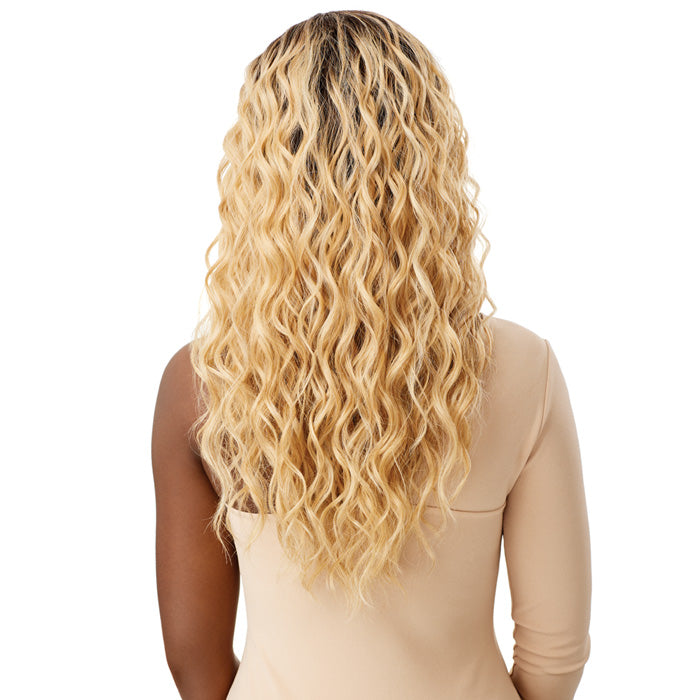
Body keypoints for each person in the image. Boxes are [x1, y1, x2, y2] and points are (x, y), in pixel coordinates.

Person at [151, 10, 592, 700]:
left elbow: (195, 665)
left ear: (259, 176)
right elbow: (556, 655)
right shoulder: (522, 370)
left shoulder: (203, 382)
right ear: (430, 164)